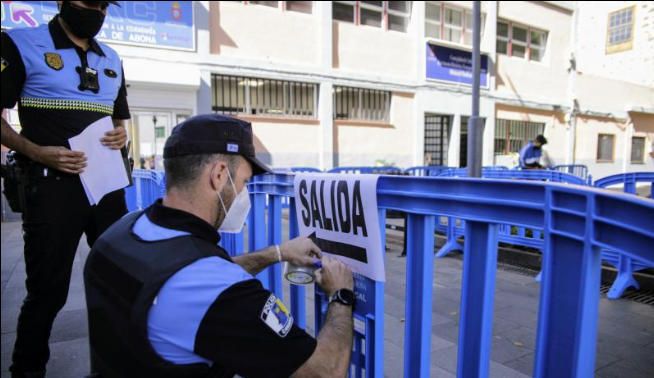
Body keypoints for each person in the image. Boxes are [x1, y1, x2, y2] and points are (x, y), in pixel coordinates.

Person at [84, 114, 356, 378]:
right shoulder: (218, 290)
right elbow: (324, 371)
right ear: (219, 174)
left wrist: (278, 253)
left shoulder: (120, 233)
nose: (244, 194)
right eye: (245, 182)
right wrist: (341, 296)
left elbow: (181, 276)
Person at [1, 2, 129, 377]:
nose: (96, 11)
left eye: (103, 6)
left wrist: (121, 134)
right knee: (47, 293)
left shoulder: (113, 58)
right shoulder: (21, 44)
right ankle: (27, 370)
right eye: (88, 2)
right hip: (52, 189)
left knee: (121, 281)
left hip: (106, 189)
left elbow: (119, 117)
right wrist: (37, 152)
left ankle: (117, 365)